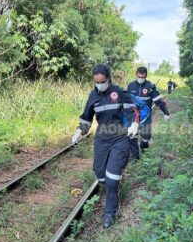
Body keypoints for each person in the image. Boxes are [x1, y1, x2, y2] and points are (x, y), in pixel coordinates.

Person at [72, 64, 139, 229]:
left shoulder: (119, 92)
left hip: (119, 138)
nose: (99, 85)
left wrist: (134, 124)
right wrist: (81, 130)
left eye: (102, 81)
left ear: (108, 78)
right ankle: (111, 186)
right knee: (100, 174)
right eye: (96, 82)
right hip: (101, 138)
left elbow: (133, 111)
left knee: (111, 179)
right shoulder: (93, 96)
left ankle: (110, 211)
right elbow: (87, 117)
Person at [127, 66, 169, 160]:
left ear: (146, 76)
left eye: (143, 77)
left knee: (146, 137)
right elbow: (126, 101)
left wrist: (166, 113)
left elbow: (158, 101)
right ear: (136, 75)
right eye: (139, 76)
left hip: (146, 117)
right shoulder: (131, 85)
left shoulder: (150, 87)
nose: (141, 79)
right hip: (133, 117)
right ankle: (135, 158)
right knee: (132, 137)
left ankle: (144, 147)